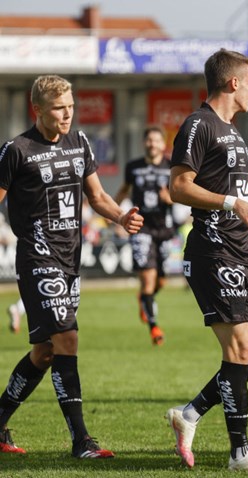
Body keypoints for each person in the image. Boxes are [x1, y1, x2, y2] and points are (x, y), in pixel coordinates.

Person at [164, 48, 248, 472]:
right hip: (213, 250)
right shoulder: (198, 124)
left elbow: (233, 193)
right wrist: (233, 204)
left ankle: (189, 415)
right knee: (240, 348)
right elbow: (179, 187)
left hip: (245, 251)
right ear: (233, 83)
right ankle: (240, 452)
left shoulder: (234, 132)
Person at [0, 74, 143, 458]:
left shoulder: (79, 143)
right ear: (38, 109)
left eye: (71, 107)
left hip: (71, 260)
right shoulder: (16, 150)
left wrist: (120, 217)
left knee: (45, 352)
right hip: (37, 258)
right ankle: (82, 441)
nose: (67, 115)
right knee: (67, 339)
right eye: (59, 108)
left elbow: (97, 197)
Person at [114, 126, 174, 346]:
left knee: (161, 281)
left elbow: (183, 194)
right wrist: (115, 215)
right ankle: (154, 327)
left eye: (156, 140)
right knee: (148, 280)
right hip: (142, 229)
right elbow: (123, 190)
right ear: (144, 143)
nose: (152, 144)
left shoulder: (171, 167)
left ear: (163, 144)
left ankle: (145, 300)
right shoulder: (133, 167)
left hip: (165, 230)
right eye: (149, 140)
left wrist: (171, 198)